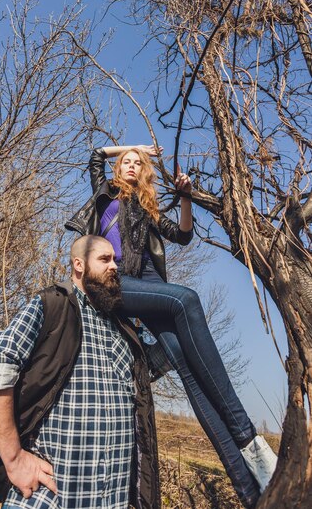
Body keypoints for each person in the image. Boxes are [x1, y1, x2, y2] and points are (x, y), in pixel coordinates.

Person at [66, 145, 278, 509]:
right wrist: (134, 147)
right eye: (126, 162)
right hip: (117, 280)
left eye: (138, 163)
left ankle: (250, 491)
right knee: (188, 299)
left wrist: (185, 197)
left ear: (144, 172)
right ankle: (247, 435)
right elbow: (94, 155)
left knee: (188, 368)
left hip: (149, 286)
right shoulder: (105, 192)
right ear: (119, 168)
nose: (132, 166)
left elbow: (181, 235)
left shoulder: (147, 207)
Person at [0, 235, 160, 509]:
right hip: (50, 497)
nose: (114, 266)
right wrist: (14, 458)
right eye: (104, 259)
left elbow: (148, 376)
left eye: (115, 260)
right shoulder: (52, 305)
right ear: (79, 264)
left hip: (111, 501)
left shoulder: (122, 327)